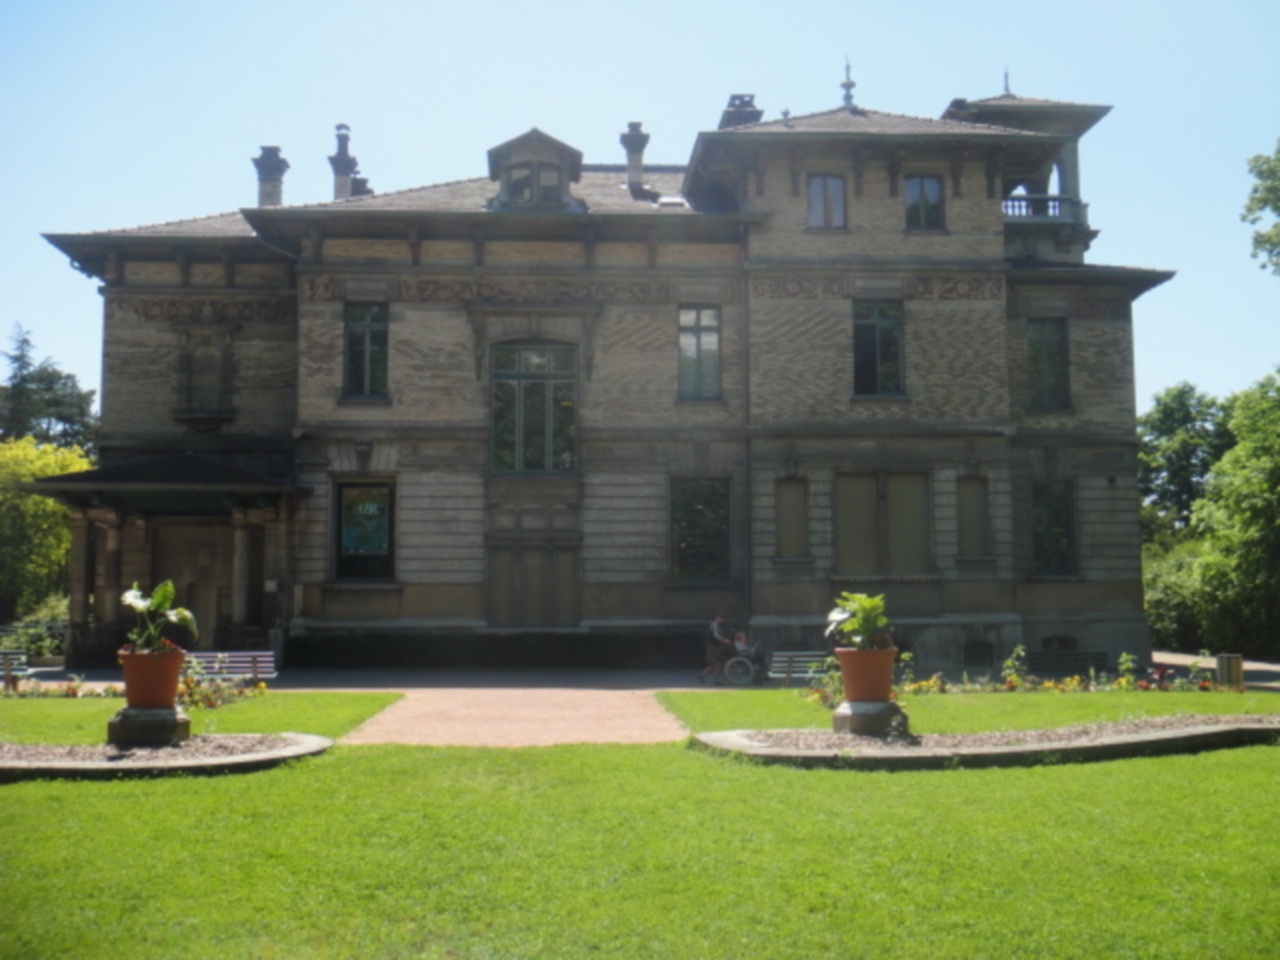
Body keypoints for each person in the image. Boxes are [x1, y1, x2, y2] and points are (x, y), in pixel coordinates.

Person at [700, 613, 734, 685]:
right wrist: (724, 640)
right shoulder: (714, 624)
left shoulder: (717, 625)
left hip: (715, 646)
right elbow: (716, 635)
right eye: (720, 618)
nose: (721, 620)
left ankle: (702, 675)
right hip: (713, 646)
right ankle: (716, 681)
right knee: (717, 663)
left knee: (715, 663)